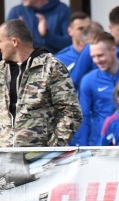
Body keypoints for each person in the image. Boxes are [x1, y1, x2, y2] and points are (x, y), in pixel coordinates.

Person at [0, 19, 81, 147]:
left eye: (1, 41)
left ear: (14, 42)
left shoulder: (51, 67)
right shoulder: (1, 70)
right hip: (5, 158)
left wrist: (52, 148)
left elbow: (71, 111)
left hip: (40, 160)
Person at [75, 32, 119, 146]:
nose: (96, 60)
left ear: (113, 50)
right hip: (100, 143)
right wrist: (82, 147)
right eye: (93, 56)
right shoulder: (88, 80)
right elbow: (84, 116)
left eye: (100, 55)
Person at [6, 0, 71, 53]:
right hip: (25, 64)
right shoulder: (16, 12)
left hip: (56, 63)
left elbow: (70, 43)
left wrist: (46, 35)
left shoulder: (62, 10)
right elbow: (6, 45)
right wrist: (21, 35)